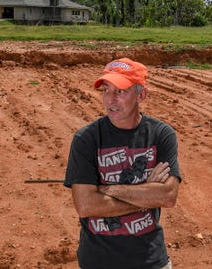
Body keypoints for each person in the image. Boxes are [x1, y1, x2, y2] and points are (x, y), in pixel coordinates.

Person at [64, 58, 181, 269]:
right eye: (106, 91)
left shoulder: (161, 135)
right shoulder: (86, 139)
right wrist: (147, 193)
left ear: (141, 95)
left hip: (151, 261)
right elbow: (86, 206)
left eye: (120, 92)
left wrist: (110, 189)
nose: (110, 100)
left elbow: (168, 196)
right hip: (98, 262)